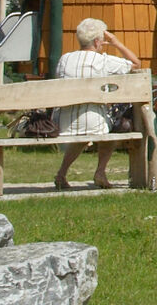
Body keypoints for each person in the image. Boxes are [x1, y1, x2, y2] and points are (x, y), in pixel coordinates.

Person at [52, 18, 140, 189]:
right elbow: (136, 64)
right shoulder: (103, 61)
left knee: (83, 125)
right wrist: (117, 43)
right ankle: (100, 171)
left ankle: (62, 173)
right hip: (94, 123)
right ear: (98, 41)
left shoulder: (65, 59)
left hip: (64, 122)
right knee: (110, 125)